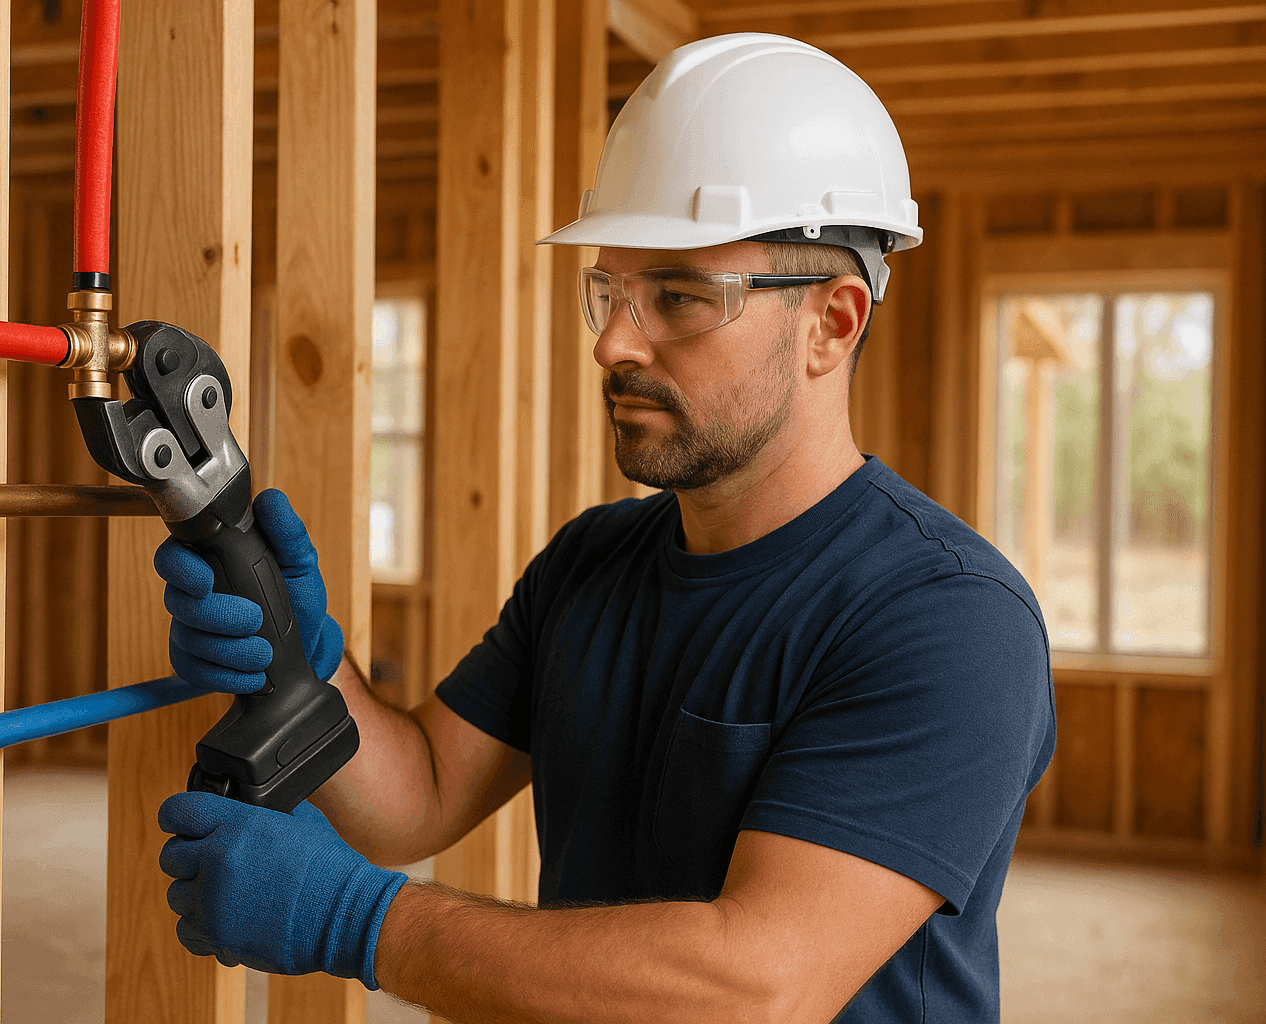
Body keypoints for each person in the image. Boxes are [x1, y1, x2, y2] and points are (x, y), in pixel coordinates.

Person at [153, 33, 1055, 1023]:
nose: (615, 341)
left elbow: (754, 986)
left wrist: (363, 922)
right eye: (610, 290)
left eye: (677, 295)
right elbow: (419, 797)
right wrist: (299, 661)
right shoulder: (593, 562)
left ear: (831, 324)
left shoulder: (950, 620)